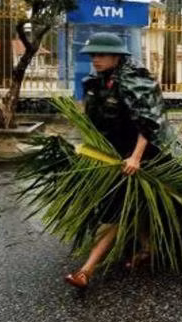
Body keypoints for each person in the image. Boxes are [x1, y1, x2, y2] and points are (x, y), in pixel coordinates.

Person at [64, 32, 173, 288]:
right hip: (110, 156)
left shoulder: (134, 81)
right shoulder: (96, 82)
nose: (95, 59)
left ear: (117, 56)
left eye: (101, 54)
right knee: (136, 203)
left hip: (138, 155)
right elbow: (92, 121)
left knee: (116, 210)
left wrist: (135, 158)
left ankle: (86, 271)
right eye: (92, 55)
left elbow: (147, 124)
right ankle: (148, 248)